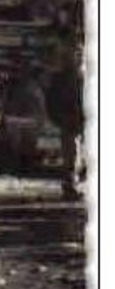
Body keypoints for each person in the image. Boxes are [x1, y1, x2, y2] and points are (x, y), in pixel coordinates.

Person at [46, 44, 85, 200]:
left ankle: (77, 185)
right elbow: (52, 101)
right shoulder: (62, 78)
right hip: (71, 121)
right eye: (77, 55)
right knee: (72, 156)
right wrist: (60, 119)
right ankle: (71, 187)